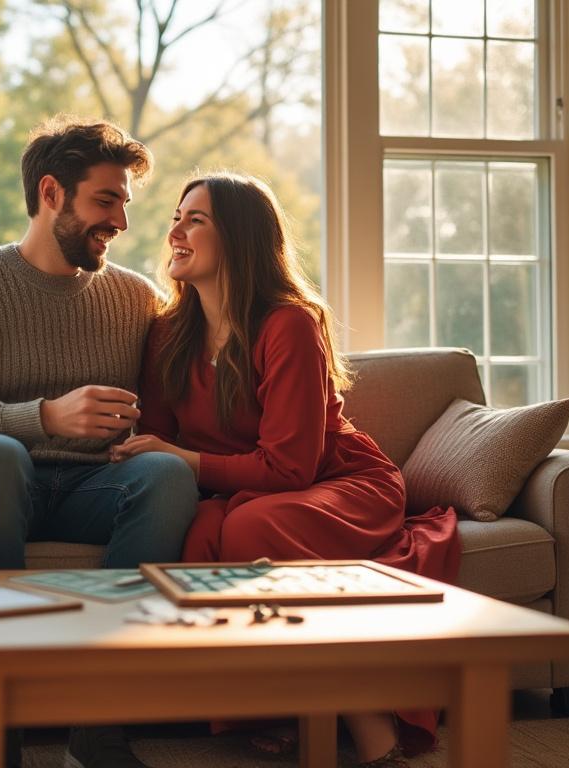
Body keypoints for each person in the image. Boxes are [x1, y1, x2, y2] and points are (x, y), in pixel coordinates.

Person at [111, 172, 461, 766]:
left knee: (247, 530)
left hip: (341, 483)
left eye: (196, 219)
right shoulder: (168, 331)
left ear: (241, 239)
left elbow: (291, 467)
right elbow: (159, 441)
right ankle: (285, 706)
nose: (175, 229)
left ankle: (361, 711)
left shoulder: (288, 324)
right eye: (176, 216)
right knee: (199, 535)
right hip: (244, 491)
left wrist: (185, 461)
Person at [0, 116, 199, 768]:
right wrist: (45, 418)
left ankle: (97, 728)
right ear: (51, 194)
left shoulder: (135, 300)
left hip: (88, 487)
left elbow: (179, 401)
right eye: (106, 199)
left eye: (125, 202)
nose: (121, 220)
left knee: (167, 476)